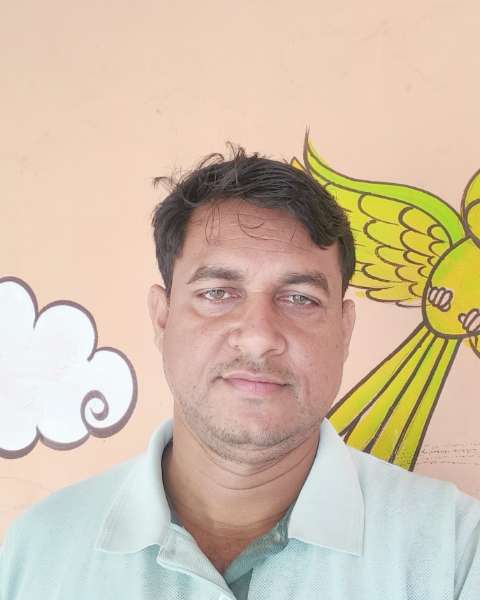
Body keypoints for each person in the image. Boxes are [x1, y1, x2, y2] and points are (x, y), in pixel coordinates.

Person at [1, 148, 479, 599]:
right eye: (217, 293)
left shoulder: (455, 552)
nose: (258, 336)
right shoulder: (36, 554)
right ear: (162, 318)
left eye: (300, 298)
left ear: (345, 328)